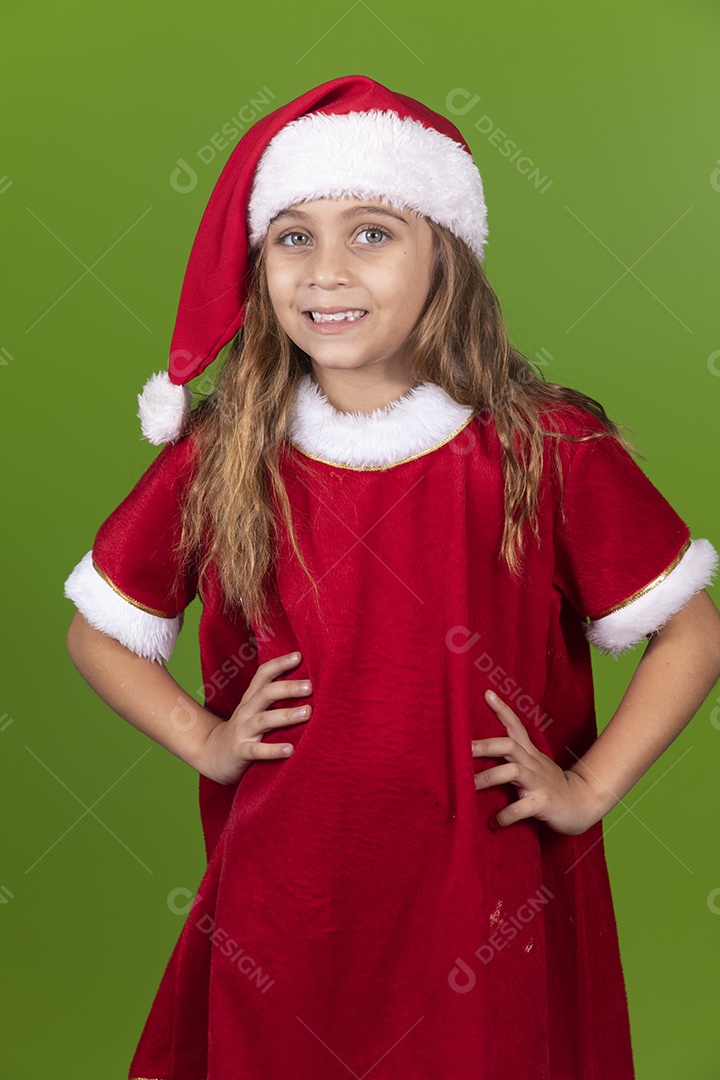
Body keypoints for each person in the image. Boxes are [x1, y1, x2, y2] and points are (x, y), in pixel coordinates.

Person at [63, 74, 720, 1080]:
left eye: (372, 233)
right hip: (288, 900)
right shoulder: (224, 451)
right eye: (294, 237)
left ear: (443, 255)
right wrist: (205, 738)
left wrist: (588, 788)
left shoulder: (546, 447)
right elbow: (98, 631)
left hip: (487, 896)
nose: (327, 272)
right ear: (260, 263)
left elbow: (690, 630)